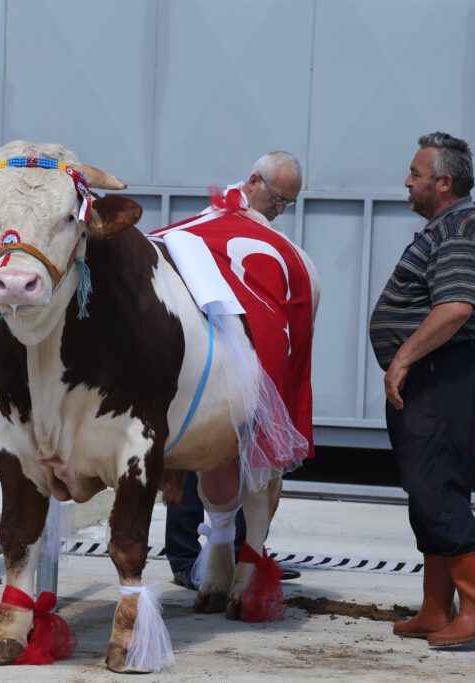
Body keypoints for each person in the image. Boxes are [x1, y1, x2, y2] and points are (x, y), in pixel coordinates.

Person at [369, 132, 475, 647]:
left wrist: (401, 358)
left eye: (416, 174)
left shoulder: (456, 229)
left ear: (444, 182)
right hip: (435, 376)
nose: (407, 182)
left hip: (441, 375)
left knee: (435, 487)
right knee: (426, 487)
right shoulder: (448, 224)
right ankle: (436, 606)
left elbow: (455, 308)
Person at [164, 151, 304, 590]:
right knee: (189, 453)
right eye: (277, 199)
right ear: (254, 182)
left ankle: (242, 548)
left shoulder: (258, 237)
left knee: (246, 447)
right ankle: (186, 556)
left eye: (287, 205)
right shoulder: (205, 226)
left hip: (238, 355)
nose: (279, 211)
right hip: (199, 358)